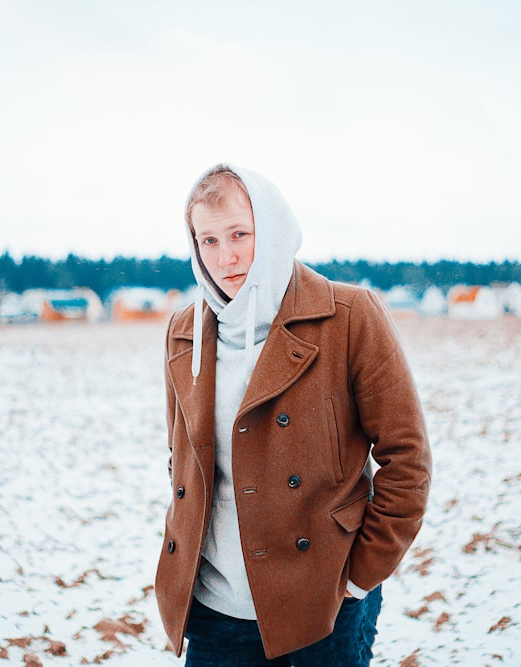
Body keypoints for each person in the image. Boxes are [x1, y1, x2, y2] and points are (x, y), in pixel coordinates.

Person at [155, 163, 432, 666]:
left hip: (323, 605)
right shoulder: (184, 331)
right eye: (209, 240)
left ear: (274, 227)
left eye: (240, 233)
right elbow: (181, 460)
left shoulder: (349, 316)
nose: (226, 256)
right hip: (218, 612)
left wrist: (358, 576)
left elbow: (407, 458)